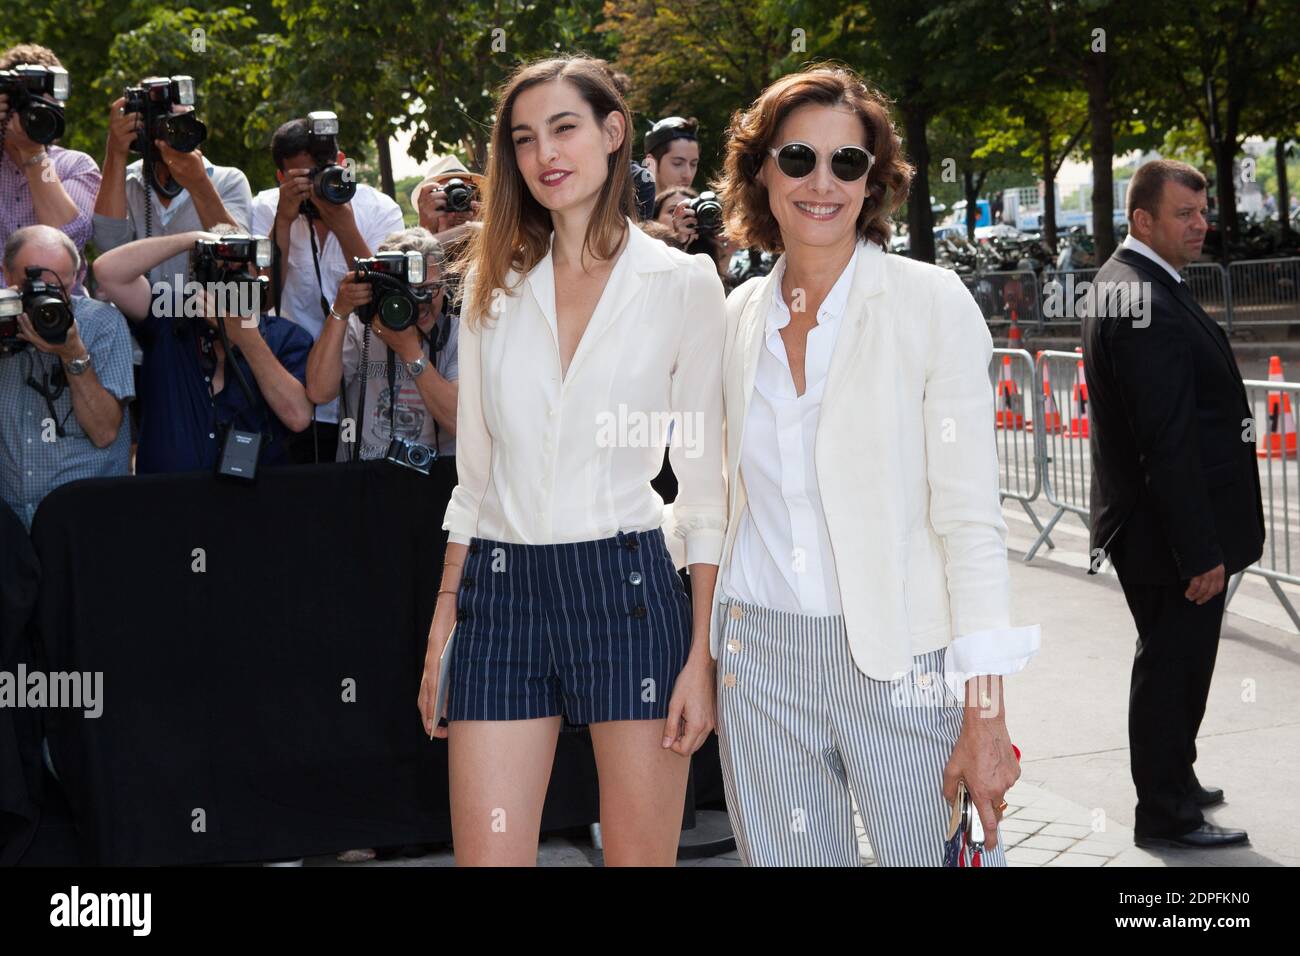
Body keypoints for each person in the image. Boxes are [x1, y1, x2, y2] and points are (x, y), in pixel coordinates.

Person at [711, 65, 1040, 866]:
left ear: (872, 182)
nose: (821, 183)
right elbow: (718, 502)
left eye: (847, 163)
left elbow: (969, 521)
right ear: (762, 171)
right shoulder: (736, 316)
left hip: (905, 663)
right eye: (798, 159)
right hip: (760, 662)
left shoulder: (930, 304)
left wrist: (986, 713)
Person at [415, 54, 727, 866]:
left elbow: (702, 488)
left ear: (613, 132)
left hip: (629, 589)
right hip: (501, 593)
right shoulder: (491, 283)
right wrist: (445, 617)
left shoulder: (683, 285)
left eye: (564, 127)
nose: (544, 153)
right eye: (524, 139)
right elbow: (474, 477)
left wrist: (703, 653)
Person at [1083, 159, 1263, 850]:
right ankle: (1165, 812)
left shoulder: (1136, 282)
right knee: (1169, 671)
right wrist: (1200, 551)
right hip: (1168, 535)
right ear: (1143, 221)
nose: (1201, 223)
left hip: (1159, 527)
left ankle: (1176, 780)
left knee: (1181, 666)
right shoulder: (1141, 298)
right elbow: (1168, 441)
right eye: (1184, 214)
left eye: (1203, 210)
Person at [92, 225, 314, 473]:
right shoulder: (171, 318)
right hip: (168, 501)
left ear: (258, 274)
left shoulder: (286, 337)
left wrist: (246, 337)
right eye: (220, 271)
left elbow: (298, 417)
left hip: (254, 504)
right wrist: (193, 239)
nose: (232, 284)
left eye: (242, 269)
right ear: (197, 277)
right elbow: (107, 272)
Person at [250, 117, 403, 463]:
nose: (319, 183)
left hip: (364, 383)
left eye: (326, 171)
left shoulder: (379, 210)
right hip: (291, 384)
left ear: (342, 161)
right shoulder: (265, 207)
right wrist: (284, 221)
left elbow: (387, 301)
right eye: (305, 177)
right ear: (281, 178)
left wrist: (343, 224)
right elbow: (264, 300)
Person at [0, 225, 134, 527]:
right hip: (11, 524)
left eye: (56, 286)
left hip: (84, 521)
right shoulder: (2, 320)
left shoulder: (102, 324)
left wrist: (73, 354)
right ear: (6, 276)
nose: (43, 298)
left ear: (76, 277)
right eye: (31, 285)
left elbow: (104, 433)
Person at [306, 226, 458, 462]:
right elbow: (318, 391)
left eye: (430, 289)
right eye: (408, 291)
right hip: (363, 478)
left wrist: (410, 352)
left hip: (435, 481)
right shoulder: (362, 325)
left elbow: (460, 422)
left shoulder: (457, 332)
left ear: (446, 285)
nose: (421, 301)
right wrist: (340, 310)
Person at [93, 88, 253, 288]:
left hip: (207, 312)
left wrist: (199, 185)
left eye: (184, 121)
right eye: (167, 123)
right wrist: (115, 152)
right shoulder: (126, 181)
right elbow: (107, 247)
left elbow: (238, 256)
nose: (177, 132)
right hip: (140, 312)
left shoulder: (229, 180)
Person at [0, 44, 100, 291]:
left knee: (107, 319)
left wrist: (33, 152)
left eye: (46, 107)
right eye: (27, 106)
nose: (37, 116)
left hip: (60, 305)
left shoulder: (76, 165)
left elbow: (69, 237)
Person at [412, 155, 483, 257]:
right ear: (426, 210)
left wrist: (482, 225)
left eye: (464, 197)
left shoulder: (495, 254)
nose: (456, 210)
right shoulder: (414, 257)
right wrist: (426, 231)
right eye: (446, 199)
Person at [644, 115, 699, 196]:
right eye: (677, 163)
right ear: (650, 163)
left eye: (693, 164)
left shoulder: (704, 207)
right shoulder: (627, 206)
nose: (688, 175)